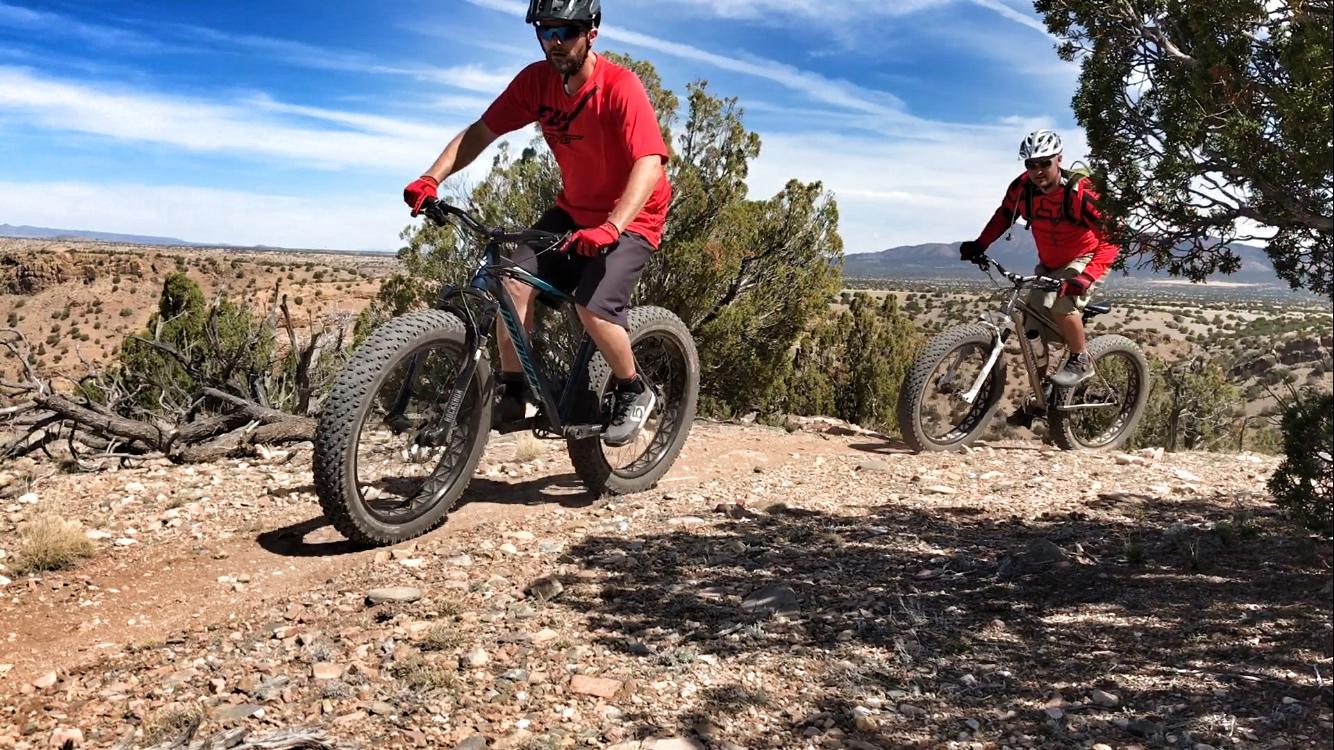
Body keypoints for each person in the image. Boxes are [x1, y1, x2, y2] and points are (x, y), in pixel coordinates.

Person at [401, 0, 671, 447]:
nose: (555, 42)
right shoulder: (535, 82)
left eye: (567, 31)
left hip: (634, 214)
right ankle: (514, 391)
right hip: (574, 210)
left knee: (594, 307)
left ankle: (632, 388)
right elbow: (481, 132)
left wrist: (613, 226)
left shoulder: (620, 88)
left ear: (592, 33)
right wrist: (433, 176)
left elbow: (649, 162)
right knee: (510, 282)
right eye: (546, 31)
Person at [959, 129, 1119, 387]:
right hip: (1048, 264)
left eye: (1045, 163)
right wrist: (980, 244)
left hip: (1084, 257)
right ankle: (1043, 389)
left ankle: (1081, 359)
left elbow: (1114, 236)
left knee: (1062, 303)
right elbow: (1004, 215)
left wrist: (1086, 277)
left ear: (1059, 160)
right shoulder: (1022, 189)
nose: (1038, 170)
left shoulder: (1081, 192)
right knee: (1032, 327)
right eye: (1031, 164)